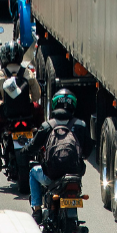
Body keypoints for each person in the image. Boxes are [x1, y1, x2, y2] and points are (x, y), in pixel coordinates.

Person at [27, 89, 92, 221]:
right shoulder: (81, 125)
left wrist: (24, 152)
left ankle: (37, 211)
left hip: (51, 175)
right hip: (75, 175)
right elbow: (88, 149)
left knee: (33, 172)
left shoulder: (46, 126)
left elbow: (33, 146)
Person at [0, 43, 43, 157]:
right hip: (28, 112)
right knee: (39, 109)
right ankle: (42, 145)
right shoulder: (28, 73)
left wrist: (2, 105)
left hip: (6, 115)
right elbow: (37, 96)